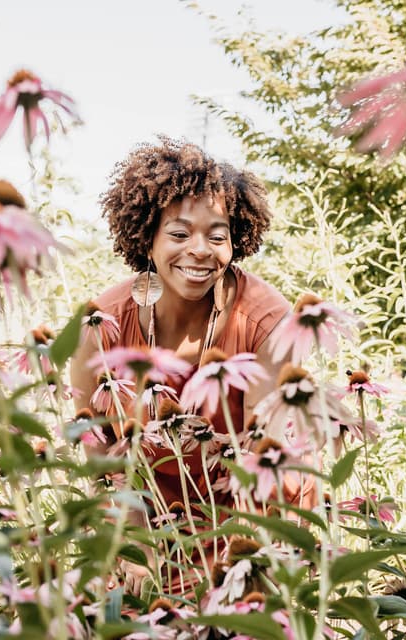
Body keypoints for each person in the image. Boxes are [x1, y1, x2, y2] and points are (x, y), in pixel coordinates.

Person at [70, 137, 316, 593]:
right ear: (147, 237)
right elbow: (98, 451)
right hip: (143, 509)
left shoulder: (266, 321)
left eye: (217, 235)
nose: (200, 251)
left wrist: (241, 563)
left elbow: (266, 453)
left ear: (236, 239)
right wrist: (135, 544)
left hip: (247, 509)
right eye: (180, 234)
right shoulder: (100, 325)